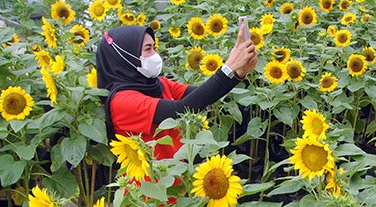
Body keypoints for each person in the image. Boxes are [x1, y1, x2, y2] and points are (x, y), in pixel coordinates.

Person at [96, 23, 257, 160]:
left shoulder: (156, 84)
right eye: (147, 49)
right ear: (127, 56)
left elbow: (201, 96)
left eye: (154, 47)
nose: (155, 54)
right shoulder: (122, 101)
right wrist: (227, 67)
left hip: (175, 182)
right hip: (148, 190)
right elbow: (181, 109)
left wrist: (237, 73)